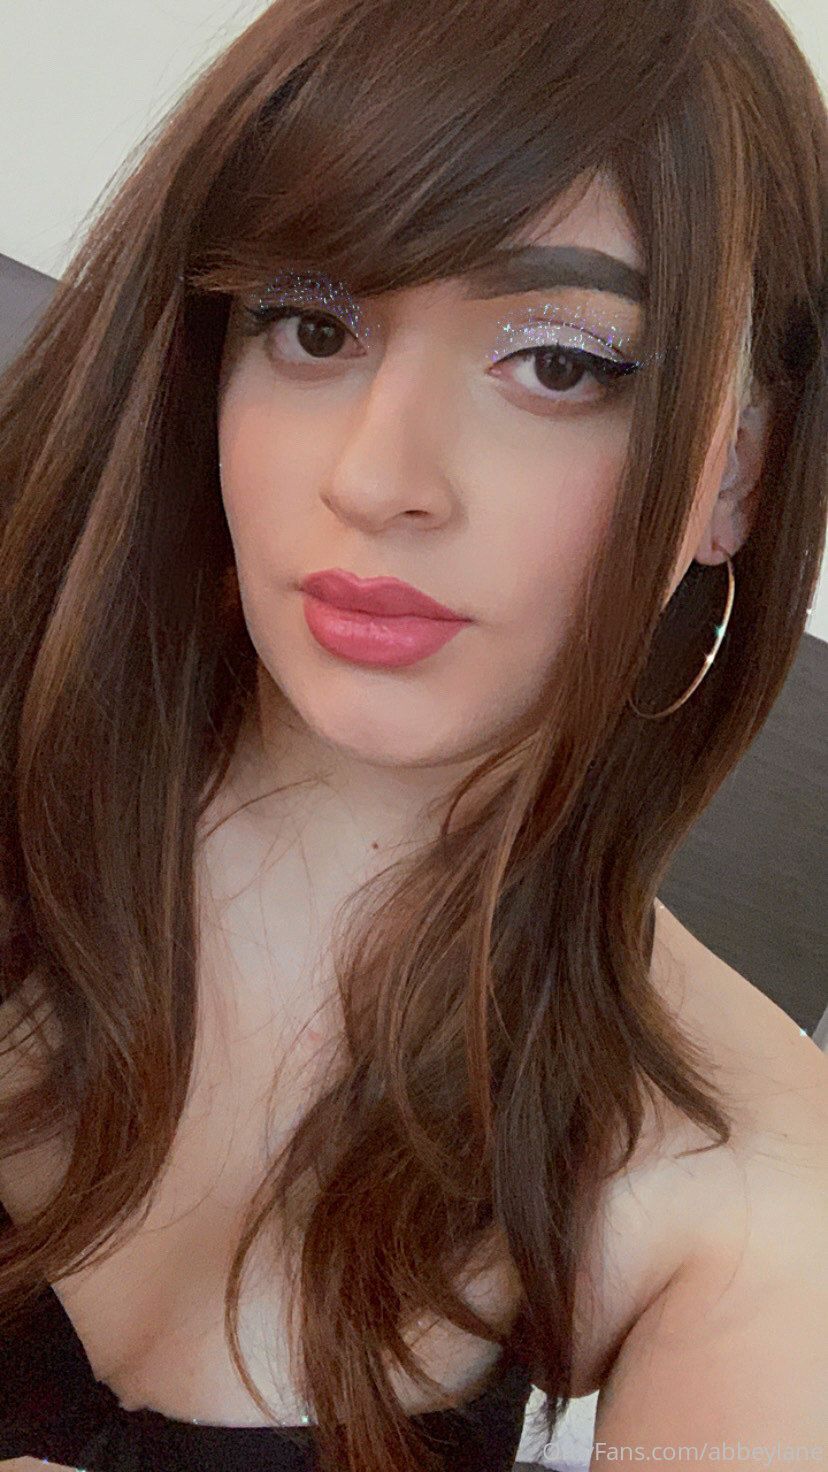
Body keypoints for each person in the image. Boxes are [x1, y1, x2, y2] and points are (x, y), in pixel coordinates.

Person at [0, 0, 826, 1469]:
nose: (378, 477)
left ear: (738, 477)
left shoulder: (746, 1193)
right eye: (314, 327)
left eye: (560, 363)